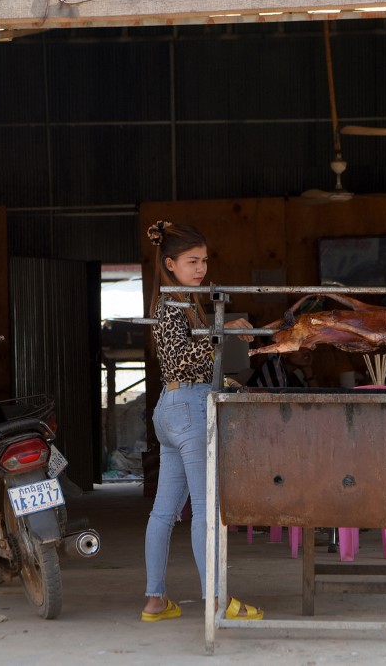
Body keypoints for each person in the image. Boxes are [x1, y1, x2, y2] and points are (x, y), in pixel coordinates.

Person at [141, 220, 264, 623]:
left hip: (171, 407)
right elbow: (181, 361)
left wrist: (228, 370)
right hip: (189, 409)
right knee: (204, 509)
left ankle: (156, 601)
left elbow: (194, 363)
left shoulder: (184, 302)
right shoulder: (174, 305)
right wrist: (222, 330)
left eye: (205, 260)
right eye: (192, 261)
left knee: (164, 512)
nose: (200, 268)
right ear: (171, 263)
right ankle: (215, 600)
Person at [246, 348, 317, 388]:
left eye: (309, 345)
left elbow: (317, 402)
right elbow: (280, 403)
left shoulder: (293, 377)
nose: (307, 350)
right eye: (300, 346)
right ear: (284, 353)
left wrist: (308, 372)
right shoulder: (273, 365)